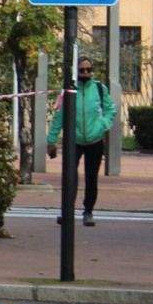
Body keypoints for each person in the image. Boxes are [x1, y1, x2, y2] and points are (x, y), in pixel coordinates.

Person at [48, 56, 116, 227]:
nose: (85, 73)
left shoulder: (100, 89)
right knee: (70, 176)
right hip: (74, 140)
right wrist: (52, 139)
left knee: (91, 177)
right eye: (81, 70)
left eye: (88, 70)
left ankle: (88, 211)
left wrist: (103, 124)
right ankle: (67, 211)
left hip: (95, 140)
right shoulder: (69, 90)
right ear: (75, 71)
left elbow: (110, 110)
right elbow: (59, 116)